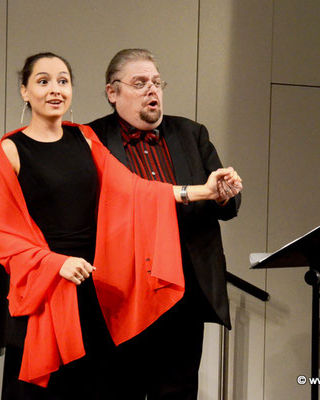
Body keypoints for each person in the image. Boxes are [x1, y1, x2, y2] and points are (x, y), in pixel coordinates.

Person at [0, 52, 242, 400]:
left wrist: (205, 191)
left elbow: (135, 191)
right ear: (25, 91)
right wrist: (55, 262)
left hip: (118, 286)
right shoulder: (21, 148)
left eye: (63, 81)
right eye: (43, 81)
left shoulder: (87, 140)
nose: (55, 89)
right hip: (69, 285)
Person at [87, 48, 242, 399]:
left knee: (178, 392)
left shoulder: (191, 133)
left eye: (156, 82)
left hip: (183, 292)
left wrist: (224, 192)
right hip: (123, 293)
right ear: (113, 92)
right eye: (139, 83)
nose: (151, 90)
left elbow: (227, 206)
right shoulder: (92, 139)